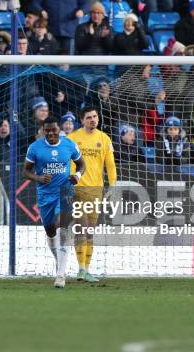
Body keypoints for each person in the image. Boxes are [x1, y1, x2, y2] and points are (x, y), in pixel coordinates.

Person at [24, 116, 86, 288]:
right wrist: (39, 177)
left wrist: (78, 176)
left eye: (53, 129)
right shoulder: (35, 147)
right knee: (50, 231)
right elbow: (26, 171)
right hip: (45, 196)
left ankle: (60, 275)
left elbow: (81, 164)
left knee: (62, 227)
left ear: (59, 129)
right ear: (43, 130)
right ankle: (61, 263)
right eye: (47, 130)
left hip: (65, 192)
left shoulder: (69, 145)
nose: (51, 133)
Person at [67, 107, 116, 283]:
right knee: (82, 227)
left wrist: (113, 186)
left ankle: (85, 269)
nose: (93, 120)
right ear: (82, 120)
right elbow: (67, 162)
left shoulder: (104, 138)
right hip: (78, 189)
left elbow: (110, 165)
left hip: (96, 190)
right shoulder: (72, 138)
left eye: (95, 116)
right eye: (89, 117)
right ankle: (81, 269)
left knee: (90, 232)